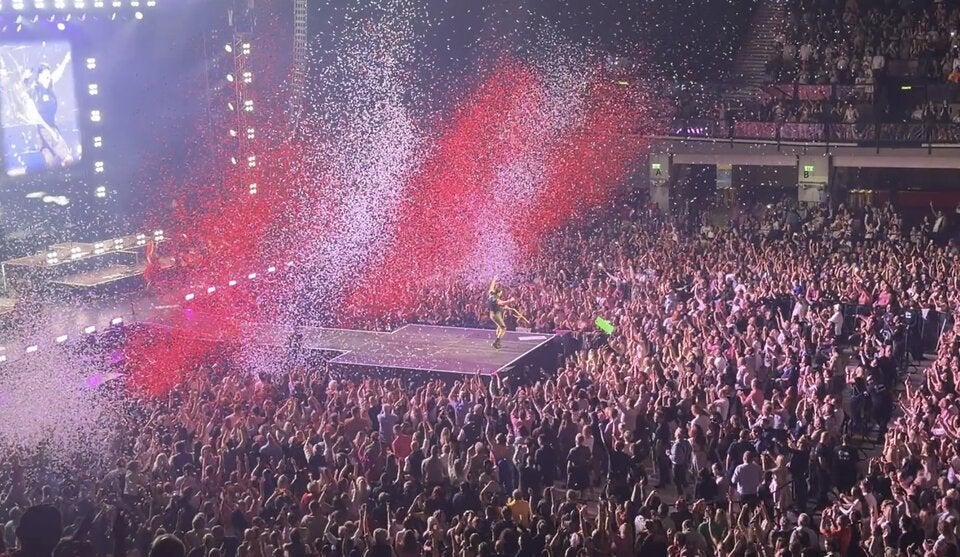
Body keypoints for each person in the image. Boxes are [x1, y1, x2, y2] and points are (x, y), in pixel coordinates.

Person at [487, 276, 515, 349]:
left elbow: (491, 286)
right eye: (500, 293)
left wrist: (494, 279)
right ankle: (496, 342)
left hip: (492, 313)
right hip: (496, 314)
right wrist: (510, 300)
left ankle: (497, 340)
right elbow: (501, 303)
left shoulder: (491, 293)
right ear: (498, 293)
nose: (501, 295)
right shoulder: (496, 298)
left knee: (499, 326)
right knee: (503, 328)